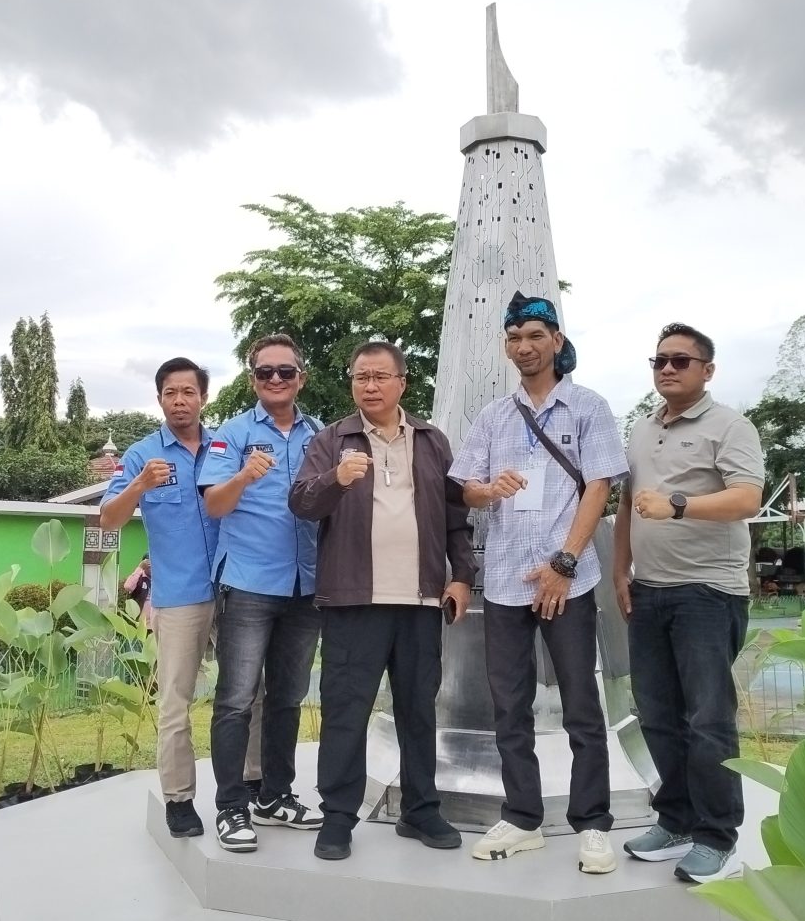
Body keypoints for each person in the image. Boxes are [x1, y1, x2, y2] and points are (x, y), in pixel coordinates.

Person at [449, 291, 627, 874]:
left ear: (556, 340)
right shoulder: (494, 416)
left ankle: (592, 822)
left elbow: (599, 487)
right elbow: (466, 488)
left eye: (534, 335)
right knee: (509, 705)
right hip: (504, 580)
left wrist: (564, 562)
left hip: (566, 580)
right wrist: (487, 490)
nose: (523, 347)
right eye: (514, 338)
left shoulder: (588, 407)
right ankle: (523, 817)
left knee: (581, 703)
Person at [289, 340, 476, 861]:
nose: (369, 386)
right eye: (360, 377)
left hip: (420, 599)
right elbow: (301, 502)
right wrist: (335, 479)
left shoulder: (431, 441)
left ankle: (421, 810)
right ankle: (338, 817)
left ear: (402, 383)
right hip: (354, 600)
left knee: (418, 709)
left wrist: (462, 576)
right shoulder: (332, 439)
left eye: (379, 377)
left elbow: (455, 515)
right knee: (346, 710)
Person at [614, 322, 764, 884]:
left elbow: (746, 498)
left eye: (681, 360)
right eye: (659, 361)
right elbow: (627, 504)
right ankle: (675, 820)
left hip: (708, 592)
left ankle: (717, 836)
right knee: (656, 714)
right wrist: (620, 570)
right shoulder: (641, 429)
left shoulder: (730, 425)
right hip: (649, 591)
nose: (668, 369)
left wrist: (678, 504)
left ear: (708, 370)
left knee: (707, 720)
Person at [101, 357, 259, 838]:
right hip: (180, 595)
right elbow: (108, 518)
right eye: (170, 392)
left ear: (203, 397)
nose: (180, 401)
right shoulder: (142, 454)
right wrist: (139, 484)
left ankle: (254, 782)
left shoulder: (225, 446)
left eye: (189, 392)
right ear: (159, 399)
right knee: (175, 701)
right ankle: (179, 799)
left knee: (251, 691)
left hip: (235, 587)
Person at [198, 333, 323, 852]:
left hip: (306, 585)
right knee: (235, 700)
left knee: (288, 699)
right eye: (265, 372)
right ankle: (231, 807)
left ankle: (275, 796)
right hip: (248, 583)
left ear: (301, 378)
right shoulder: (232, 434)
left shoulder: (320, 434)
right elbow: (214, 505)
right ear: (253, 380)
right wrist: (245, 476)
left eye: (285, 371)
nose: (275, 379)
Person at [124, 553, 153, 630]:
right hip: (141, 626)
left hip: (157, 625)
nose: (151, 568)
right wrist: (139, 568)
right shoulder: (139, 578)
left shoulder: (159, 579)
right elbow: (128, 587)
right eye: (148, 565)